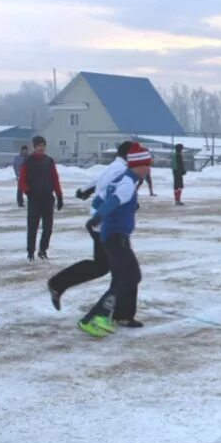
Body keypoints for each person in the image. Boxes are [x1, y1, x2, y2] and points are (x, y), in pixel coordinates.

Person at [48, 141, 143, 327]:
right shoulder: (120, 171)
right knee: (125, 273)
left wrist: (85, 190)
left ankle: (58, 284)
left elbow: (100, 182)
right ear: (128, 156)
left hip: (102, 225)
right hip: (107, 226)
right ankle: (117, 315)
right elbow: (111, 191)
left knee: (103, 266)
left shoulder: (116, 167)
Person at [77, 143, 153, 337]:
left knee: (124, 277)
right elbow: (112, 202)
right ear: (138, 165)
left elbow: (100, 198)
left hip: (113, 236)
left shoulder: (122, 179)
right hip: (115, 236)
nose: (149, 169)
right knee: (131, 276)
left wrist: (97, 212)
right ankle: (95, 317)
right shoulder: (127, 183)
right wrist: (97, 217)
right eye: (147, 165)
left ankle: (102, 316)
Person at [18, 136, 63, 262]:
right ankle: (31, 252)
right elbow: (22, 180)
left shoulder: (49, 161)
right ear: (34, 147)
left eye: (43, 145)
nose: (41, 147)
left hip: (48, 199)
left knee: (48, 228)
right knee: (33, 226)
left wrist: (59, 196)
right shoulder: (28, 161)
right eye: (39, 145)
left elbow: (55, 179)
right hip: (34, 199)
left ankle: (42, 250)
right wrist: (26, 192)